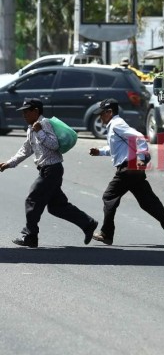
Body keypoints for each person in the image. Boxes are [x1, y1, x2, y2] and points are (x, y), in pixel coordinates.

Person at [0, 98, 98, 248]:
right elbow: (26, 150)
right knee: (57, 207)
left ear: (36, 111)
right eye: (23, 112)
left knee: (32, 200)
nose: (24, 115)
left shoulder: (44, 124)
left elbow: (54, 145)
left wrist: (39, 131)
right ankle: (88, 223)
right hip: (47, 170)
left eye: (27, 111)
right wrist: (9, 163)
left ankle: (30, 236)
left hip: (51, 169)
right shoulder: (30, 128)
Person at [89, 98, 164, 248]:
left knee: (109, 196)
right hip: (132, 168)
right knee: (148, 202)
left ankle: (106, 234)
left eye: (102, 113)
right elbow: (118, 149)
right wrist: (100, 152)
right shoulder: (114, 126)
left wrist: (141, 157)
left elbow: (140, 137)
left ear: (109, 112)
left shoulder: (117, 124)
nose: (100, 117)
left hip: (128, 168)